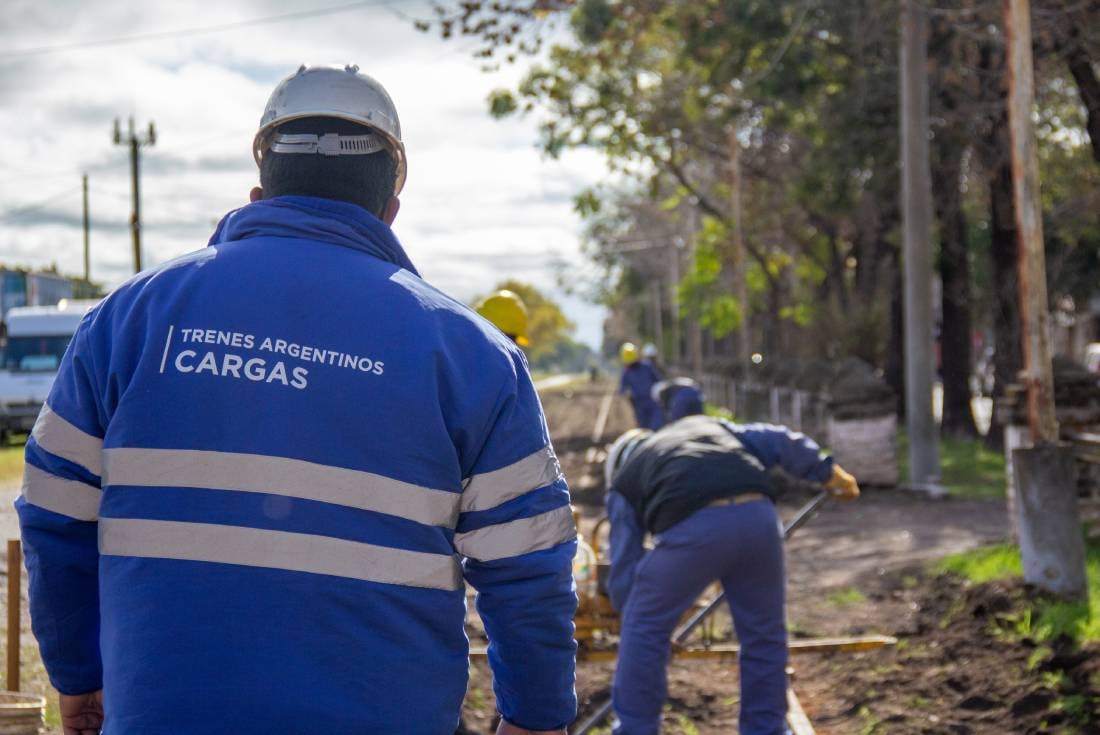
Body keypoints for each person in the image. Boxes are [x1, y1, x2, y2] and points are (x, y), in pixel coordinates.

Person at [18, 64, 577, 735]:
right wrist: (537, 717)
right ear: (389, 207)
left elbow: (53, 515)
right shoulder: (474, 356)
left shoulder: (126, 320)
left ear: (261, 190)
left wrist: (78, 677)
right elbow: (528, 564)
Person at [602, 412, 860, 735]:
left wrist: (640, 620)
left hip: (693, 530)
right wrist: (824, 469)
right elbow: (777, 440)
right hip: (759, 520)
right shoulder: (707, 426)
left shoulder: (625, 479)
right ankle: (766, 729)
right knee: (764, 636)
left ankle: (635, 730)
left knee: (642, 629)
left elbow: (625, 568)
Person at [618, 342, 663, 430]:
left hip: (652, 402)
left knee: (655, 427)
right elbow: (623, 390)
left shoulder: (646, 366)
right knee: (645, 429)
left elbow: (659, 381)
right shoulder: (627, 372)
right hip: (640, 405)